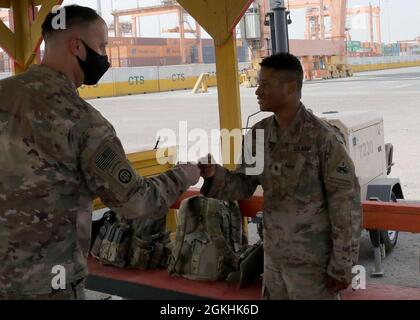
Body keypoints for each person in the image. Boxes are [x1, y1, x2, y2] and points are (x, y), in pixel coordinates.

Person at [0, 5, 200, 299]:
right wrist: (185, 173)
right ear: (77, 46)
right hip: (48, 285)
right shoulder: (83, 121)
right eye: (102, 46)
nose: (105, 56)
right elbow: (136, 202)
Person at [199, 53, 362, 300]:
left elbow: (346, 205)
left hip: (313, 268)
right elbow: (242, 184)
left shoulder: (323, 139)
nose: (257, 91)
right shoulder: (258, 136)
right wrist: (214, 174)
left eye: (265, 84)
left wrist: (342, 264)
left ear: (291, 87)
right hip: (274, 263)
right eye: (258, 83)